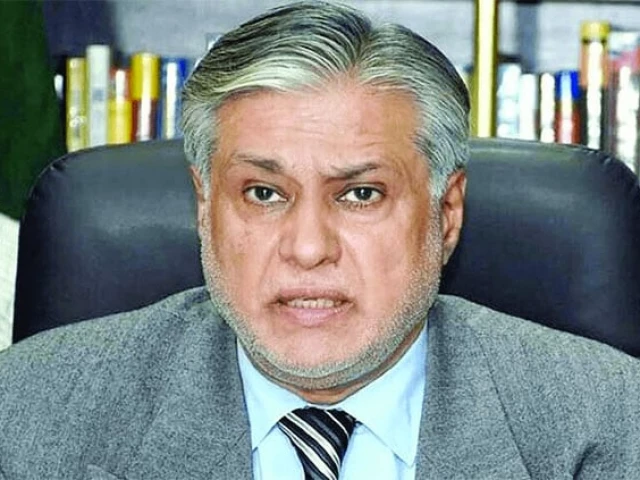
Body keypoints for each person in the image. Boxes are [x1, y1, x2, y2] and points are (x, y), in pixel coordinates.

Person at [1, 2, 639, 479]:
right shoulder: (26, 413)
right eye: (263, 193)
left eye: (360, 194)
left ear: (446, 214)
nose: (307, 249)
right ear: (204, 206)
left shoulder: (610, 422)